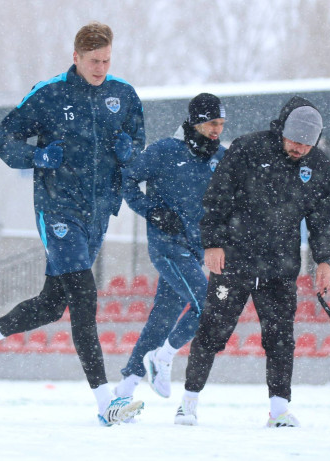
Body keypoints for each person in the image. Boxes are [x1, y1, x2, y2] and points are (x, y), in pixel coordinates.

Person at [0, 22, 146, 426]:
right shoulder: (48, 95)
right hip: (58, 209)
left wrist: (129, 151)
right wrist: (39, 155)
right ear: (76, 57)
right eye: (93, 61)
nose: (100, 68)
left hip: (98, 214)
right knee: (84, 297)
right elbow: (5, 140)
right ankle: (106, 403)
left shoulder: (124, 95)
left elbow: (139, 148)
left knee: (52, 305)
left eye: (106, 60)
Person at [177, 96, 330, 428]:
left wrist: (324, 260)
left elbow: (321, 220)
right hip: (233, 261)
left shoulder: (319, 167)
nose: (298, 148)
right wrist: (213, 243)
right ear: (284, 131)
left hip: (280, 268)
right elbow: (217, 196)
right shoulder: (250, 148)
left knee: (280, 337)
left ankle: (279, 410)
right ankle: (188, 402)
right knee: (212, 330)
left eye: (306, 144)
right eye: (294, 140)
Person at [114, 93, 227, 402]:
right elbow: (127, 180)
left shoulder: (221, 158)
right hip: (167, 247)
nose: (217, 129)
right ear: (195, 121)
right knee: (208, 306)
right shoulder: (165, 150)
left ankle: (123, 391)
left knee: (161, 320)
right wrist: (153, 210)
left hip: (194, 252)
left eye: (221, 123)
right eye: (211, 123)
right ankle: (162, 357)